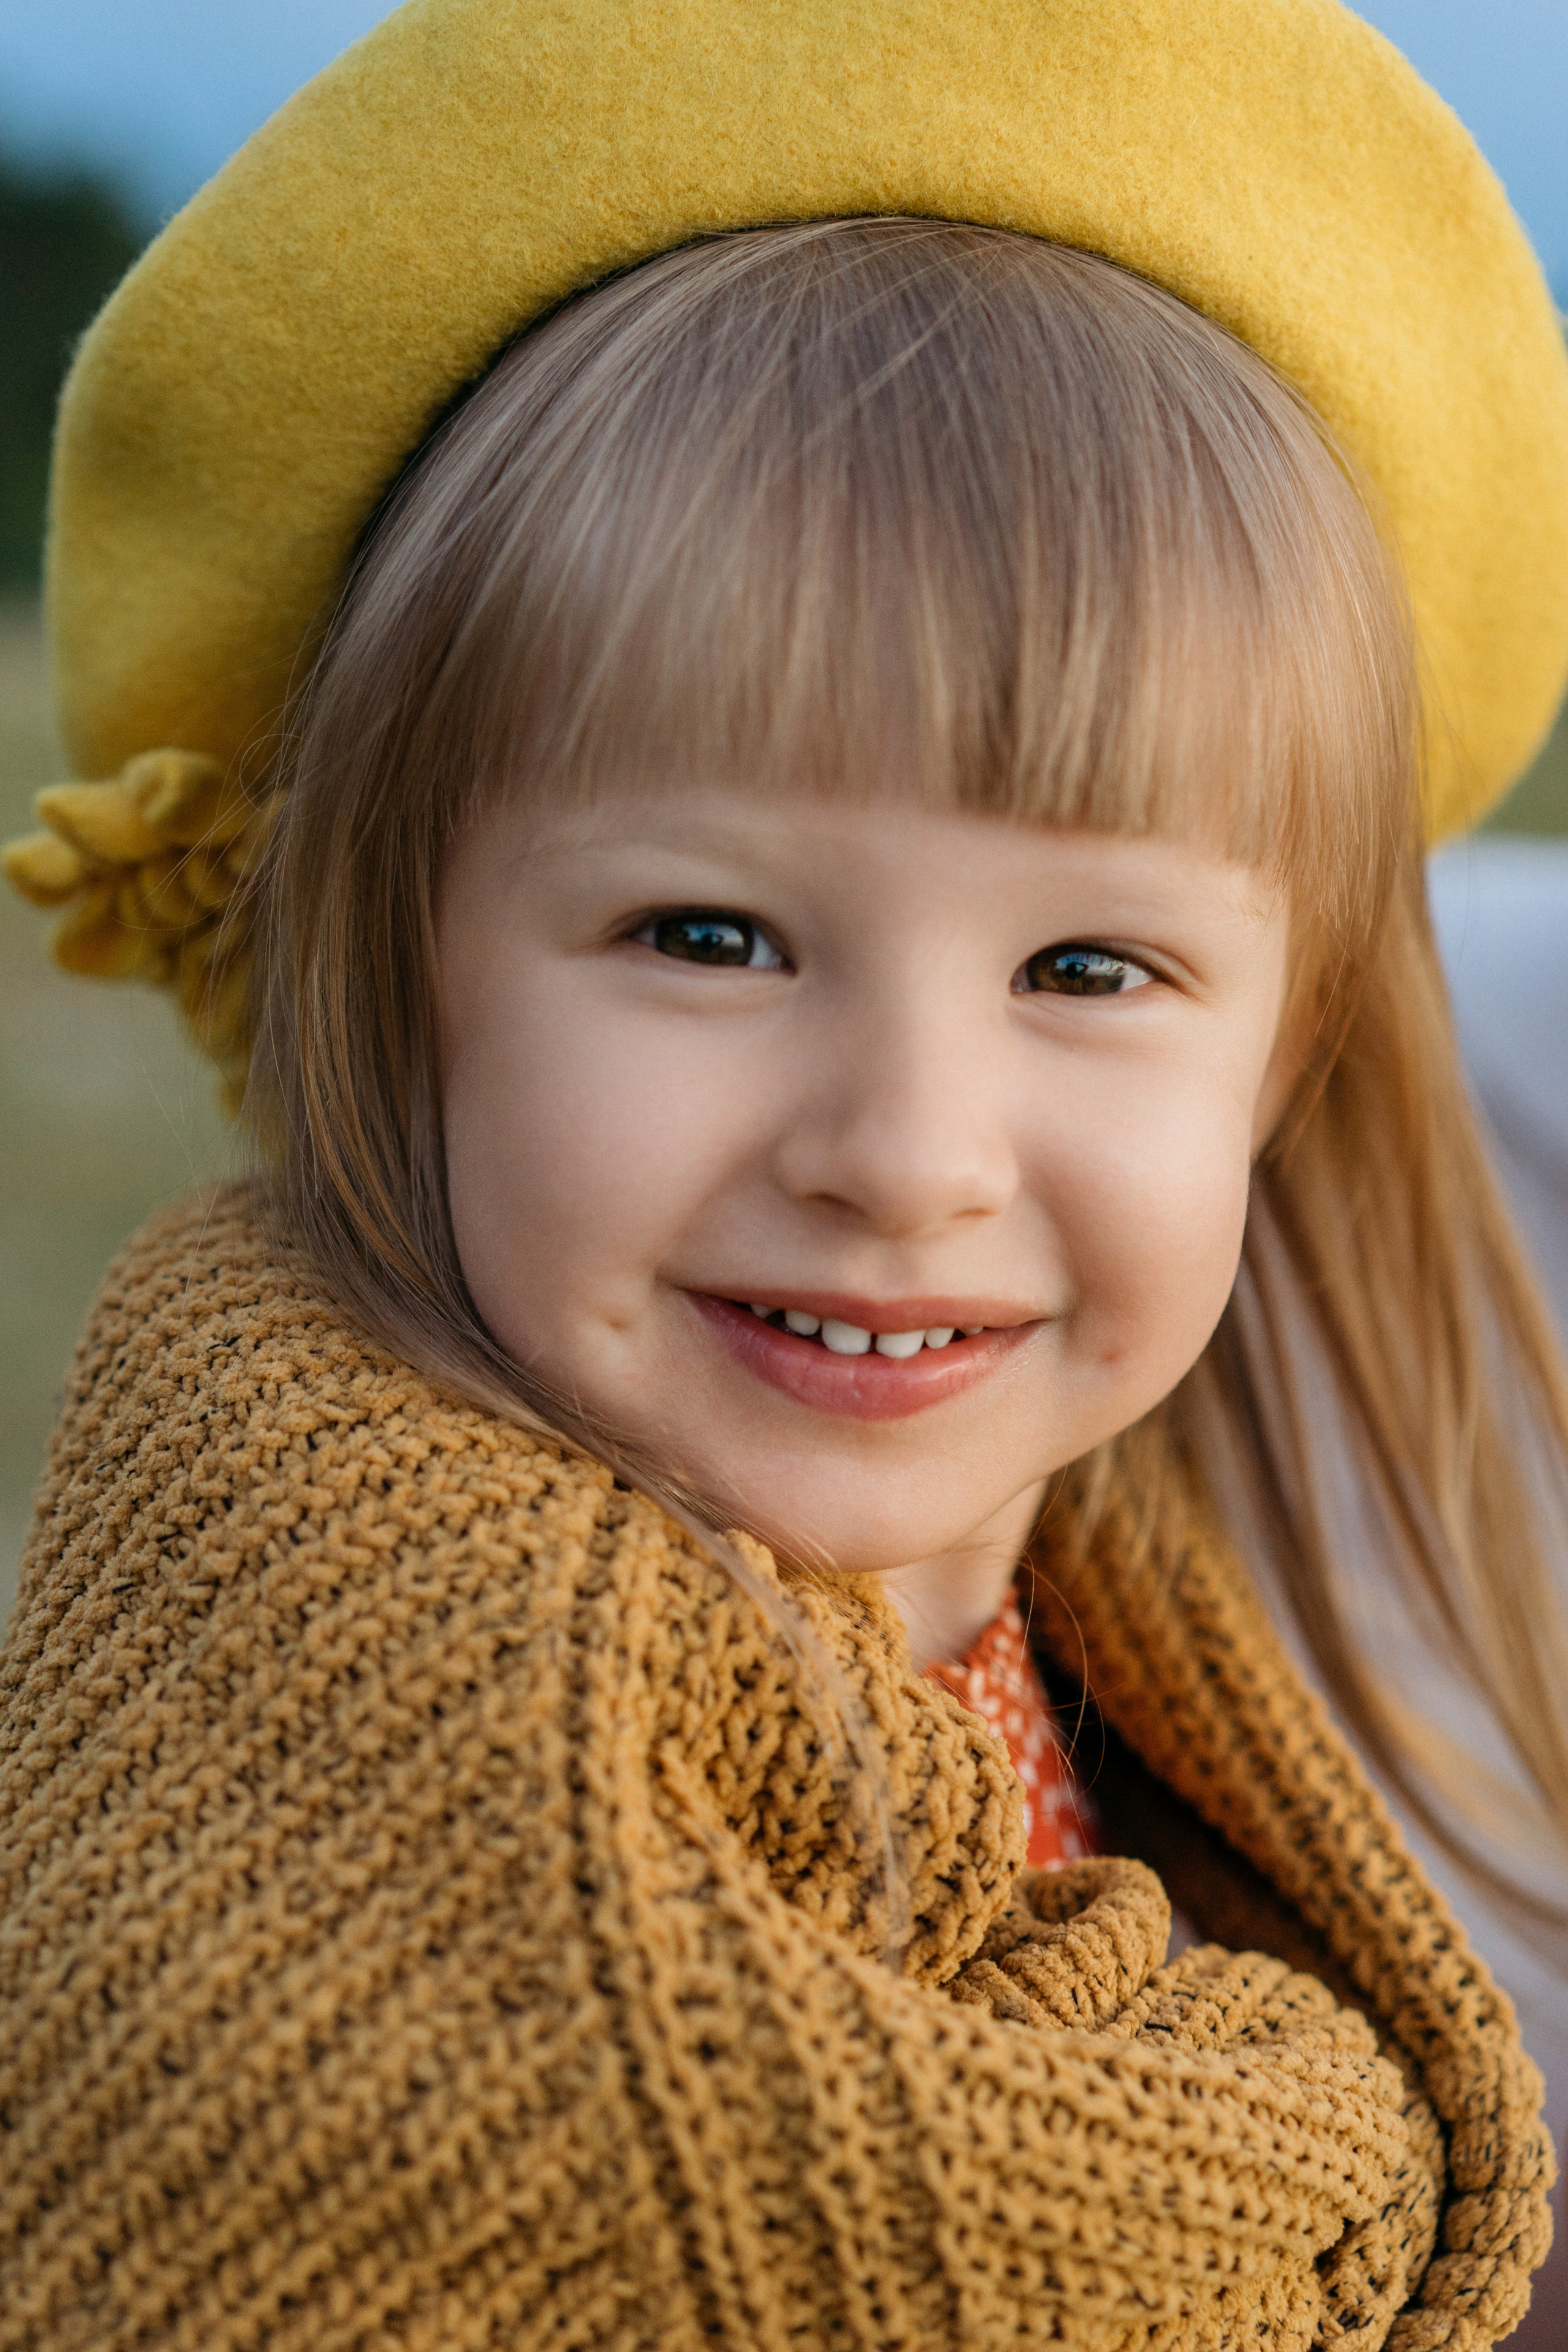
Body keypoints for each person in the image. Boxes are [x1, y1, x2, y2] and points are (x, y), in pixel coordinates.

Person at [4, 2, 1567, 2343]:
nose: (908, 1156)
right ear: (396, 953)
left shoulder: (1125, 1609)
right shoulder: (382, 1706)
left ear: (1289, 1047)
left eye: (1091, 965)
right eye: (708, 935)